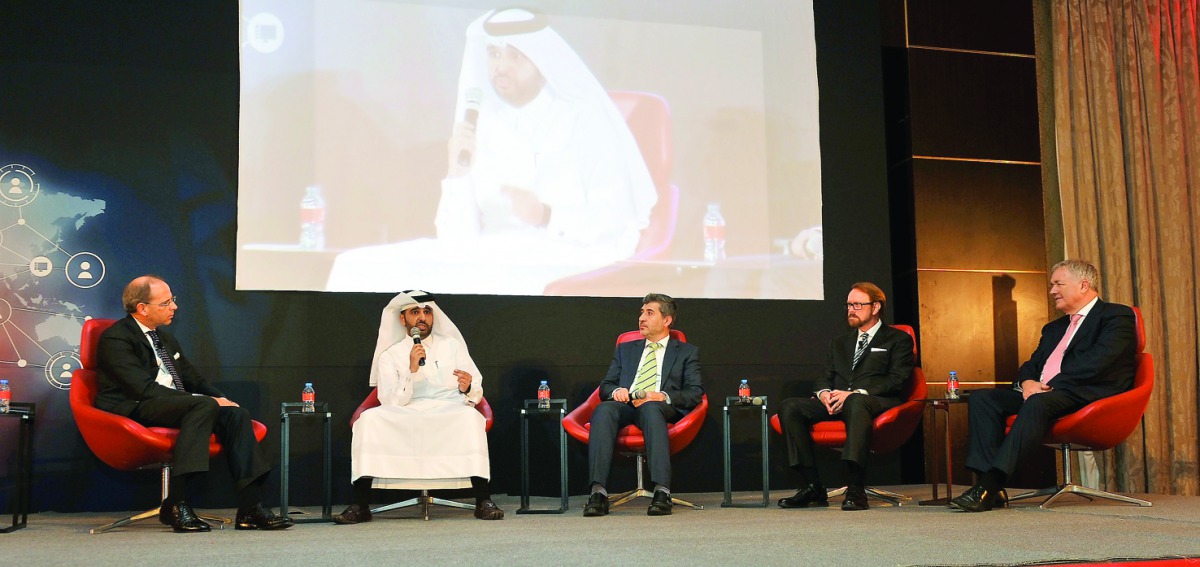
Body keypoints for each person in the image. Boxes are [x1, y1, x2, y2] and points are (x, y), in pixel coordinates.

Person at [326, 7, 658, 294]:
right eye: (494, 54)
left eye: (515, 56)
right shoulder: (483, 127)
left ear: (543, 61)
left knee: (479, 283)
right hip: (493, 253)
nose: (501, 66)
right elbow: (454, 238)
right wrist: (456, 175)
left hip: (568, 253)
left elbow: (615, 221)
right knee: (358, 266)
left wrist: (545, 215)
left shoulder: (586, 121)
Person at [94, 275, 292, 533]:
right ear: (142, 308)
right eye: (166, 303)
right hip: (135, 406)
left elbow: (193, 379)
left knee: (236, 414)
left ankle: (250, 506)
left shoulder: (164, 339)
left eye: (172, 300)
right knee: (203, 406)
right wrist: (206, 401)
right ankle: (177, 502)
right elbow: (142, 389)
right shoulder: (116, 338)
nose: (174, 307)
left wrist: (223, 400)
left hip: (174, 405)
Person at [951, 259, 1138, 512]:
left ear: (1083, 285)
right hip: (1046, 394)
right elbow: (1032, 363)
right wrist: (1028, 382)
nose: (1052, 291)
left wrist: (1048, 386)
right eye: (1052, 285)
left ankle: (990, 484)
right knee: (982, 398)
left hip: (1086, 394)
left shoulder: (1116, 316)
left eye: (1058, 284)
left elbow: (1099, 362)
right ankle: (989, 488)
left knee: (1038, 402)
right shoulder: (1054, 328)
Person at [333, 291, 503, 523]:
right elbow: (391, 401)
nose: (422, 317)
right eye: (415, 312)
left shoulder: (452, 345)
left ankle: (483, 500)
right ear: (403, 319)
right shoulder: (390, 355)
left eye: (427, 312)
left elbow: (476, 388)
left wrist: (467, 387)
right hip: (406, 408)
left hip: (448, 406)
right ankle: (361, 505)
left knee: (470, 418)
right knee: (369, 420)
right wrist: (411, 370)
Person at [775, 282, 914, 511]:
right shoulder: (840, 342)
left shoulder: (898, 339)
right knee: (790, 407)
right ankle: (812, 486)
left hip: (875, 400)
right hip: (839, 400)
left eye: (857, 305)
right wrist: (823, 394)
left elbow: (897, 379)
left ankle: (856, 488)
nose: (851, 310)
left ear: (876, 307)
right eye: (849, 305)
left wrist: (853, 393)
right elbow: (824, 377)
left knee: (856, 402)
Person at [583, 293, 703, 517]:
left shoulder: (686, 352)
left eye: (649, 313)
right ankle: (598, 493)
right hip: (627, 403)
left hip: (658, 405)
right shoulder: (626, 350)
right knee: (604, 409)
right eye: (641, 313)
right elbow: (606, 385)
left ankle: (662, 491)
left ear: (667, 320)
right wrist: (616, 391)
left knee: (650, 408)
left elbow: (694, 393)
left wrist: (662, 396)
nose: (641, 318)